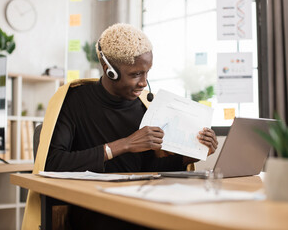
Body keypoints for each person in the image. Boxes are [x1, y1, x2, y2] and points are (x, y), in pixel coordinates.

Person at [30, 23, 218, 230]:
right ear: (109, 70)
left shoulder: (147, 106)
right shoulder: (73, 100)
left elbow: (147, 170)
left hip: (142, 204)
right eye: (136, 74)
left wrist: (187, 156)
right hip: (95, 211)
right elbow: (52, 163)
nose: (144, 83)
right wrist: (124, 145)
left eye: (147, 73)